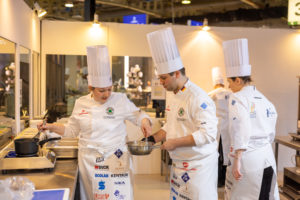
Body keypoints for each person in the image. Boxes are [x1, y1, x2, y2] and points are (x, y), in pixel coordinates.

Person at [38, 45, 152, 200]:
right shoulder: (81, 103)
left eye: (109, 89)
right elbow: (71, 130)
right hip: (90, 161)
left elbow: (138, 115)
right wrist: (50, 127)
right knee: (94, 195)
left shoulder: (120, 100)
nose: (106, 94)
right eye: (101, 90)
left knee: (118, 196)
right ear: (91, 87)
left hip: (116, 158)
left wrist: (145, 121)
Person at [146, 27, 218, 200]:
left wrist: (175, 143)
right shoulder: (174, 95)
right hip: (179, 166)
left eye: (163, 78)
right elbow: (170, 126)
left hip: (199, 167)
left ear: (177, 73)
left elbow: (207, 134)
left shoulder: (199, 98)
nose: (160, 82)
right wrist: (150, 140)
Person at [222, 38, 279, 200]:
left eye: (229, 82)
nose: (228, 86)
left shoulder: (237, 98)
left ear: (238, 80)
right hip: (268, 159)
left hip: (248, 161)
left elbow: (241, 127)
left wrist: (238, 159)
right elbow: (271, 131)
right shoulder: (263, 98)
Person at [208, 66, 232, 187]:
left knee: (216, 153)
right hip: (228, 128)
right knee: (227, 154)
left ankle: (217, 181)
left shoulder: (210, 95)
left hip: (215, 129)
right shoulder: (231, 93)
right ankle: (227, 179)